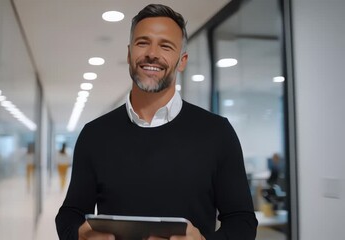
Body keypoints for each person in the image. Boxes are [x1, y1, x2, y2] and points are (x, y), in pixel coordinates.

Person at [56, 4, 257, 240]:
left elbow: (242, 222)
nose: (152, 53)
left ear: (182, 61)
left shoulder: (218, 133)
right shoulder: (94, 135)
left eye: (165, 45)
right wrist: (80, 235)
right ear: (129, 54)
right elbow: (69, 214)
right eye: (143, 43)